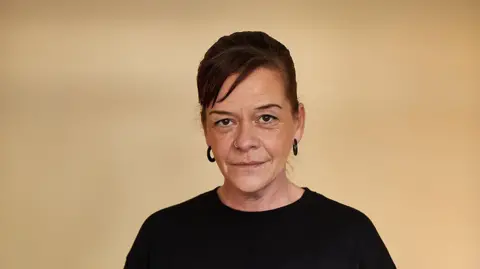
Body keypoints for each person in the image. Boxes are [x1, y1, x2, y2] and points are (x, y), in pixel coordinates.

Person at [124, 31, 396, 269]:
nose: (245, 141)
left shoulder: (351, 237)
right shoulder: (162, 238)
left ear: (298, 122)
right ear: (206, 129)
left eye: (266, 118)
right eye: (225, 121)